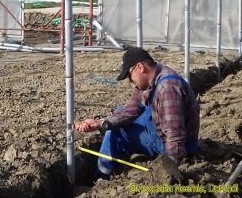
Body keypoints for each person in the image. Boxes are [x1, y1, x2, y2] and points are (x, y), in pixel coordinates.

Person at [74, 46, 200, 178]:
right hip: (165, 131)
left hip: (179, 145)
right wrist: (100, 123)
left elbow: (174, 133)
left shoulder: (167, 88)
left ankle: (101, 177)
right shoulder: (154, 77)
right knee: (120, 113)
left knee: (116, 132)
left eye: (129, 75)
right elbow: (129, 111)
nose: (130, 81)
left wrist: (171, 164)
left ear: (140, 67)